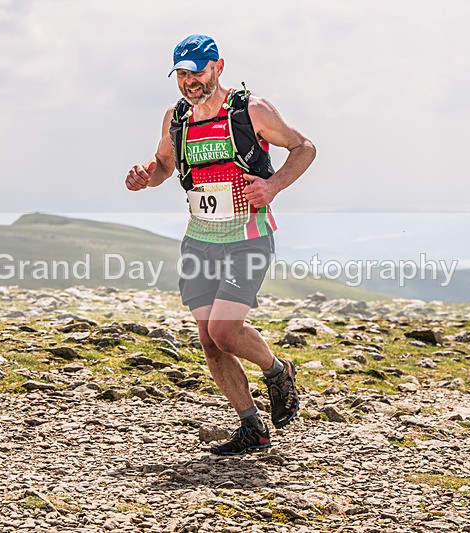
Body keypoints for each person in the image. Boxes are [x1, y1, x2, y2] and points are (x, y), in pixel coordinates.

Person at [125, 34, 316, 455]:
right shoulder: (176, 118)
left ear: (218, 67)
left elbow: (304, 147)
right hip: (199, 241)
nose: (189, 81)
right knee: (209, 340)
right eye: (181, 73)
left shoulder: (252, 110)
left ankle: (278, 371)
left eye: (197, 71)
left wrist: (274, 185)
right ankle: (252, 427)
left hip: (248, 237)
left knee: (225, 332)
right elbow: (163, 166)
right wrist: (145, 175)